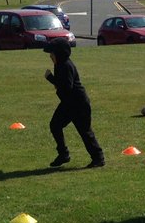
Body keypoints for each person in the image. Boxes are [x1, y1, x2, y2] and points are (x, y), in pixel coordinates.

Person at [44, 38, 105, 169]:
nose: (50, 56)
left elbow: (66, 87)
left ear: (59, 54)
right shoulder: (59, 64)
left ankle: (98, 158)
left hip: (78, 104)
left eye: (52, 53)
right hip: (69, 103)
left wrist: (51, 78)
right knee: (55, 125)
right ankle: (63, 154)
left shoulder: (65, 65)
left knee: (85, 131)